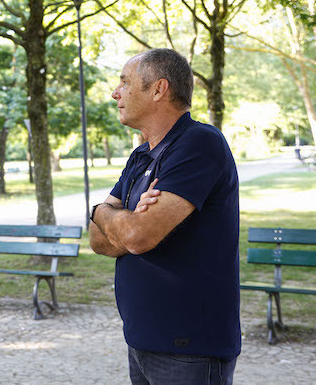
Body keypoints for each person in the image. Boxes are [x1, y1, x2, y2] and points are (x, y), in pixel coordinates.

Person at [89, 49, 240, 384]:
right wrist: (121, 220)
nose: (115, 93)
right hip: (142, 340)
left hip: (189, 350)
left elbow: (137, 237)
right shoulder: (141, 154)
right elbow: (97, 240)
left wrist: (104, 211)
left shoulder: (200, 143)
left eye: (125, 83)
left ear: (158, 89)